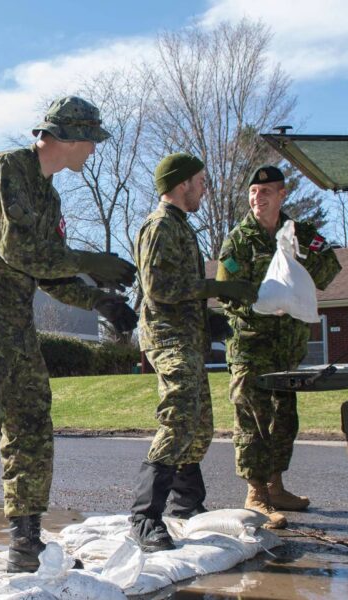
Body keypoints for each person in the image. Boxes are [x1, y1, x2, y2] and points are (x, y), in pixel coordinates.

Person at [0, 96, 138, 599]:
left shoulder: (51, 197)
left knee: (33, 426)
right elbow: (15, 247)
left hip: (14, 325)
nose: (93, 152)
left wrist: (102, 301)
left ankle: (25, 541)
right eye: (91, 142)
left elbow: (48, 271)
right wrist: (91, 260)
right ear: (67, 138)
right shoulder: (6, 168)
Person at [128, 153, 259, 552]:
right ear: (181, 183)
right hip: (166, 338)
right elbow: (160, 289)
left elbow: (183, 289)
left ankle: (186, 506)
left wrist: (211, 320)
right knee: (181, 413)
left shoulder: (183, 228)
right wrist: (218, 290)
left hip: (187, 336)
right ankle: (145, 517)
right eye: (200, 180)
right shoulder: (159, 227)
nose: (205, 187)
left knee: (200, 424)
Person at [216, 165, 342, 528]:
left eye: (266, 192)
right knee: (252, 417)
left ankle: (277, 486)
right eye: (253, 193)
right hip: (251, 345)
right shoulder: (239, 239)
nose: (258, 199)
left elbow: (329, 271)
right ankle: (256, 493)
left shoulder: (299, 233)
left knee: (284, 418)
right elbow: (227, 291)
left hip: (288, 346)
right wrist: (261, 304)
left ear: (282, 194)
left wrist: (298, 262)